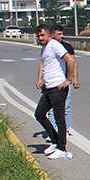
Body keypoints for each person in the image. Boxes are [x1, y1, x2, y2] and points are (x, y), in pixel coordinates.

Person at [34, 24, 76, 159]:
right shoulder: (44, 48)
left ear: (49, 35)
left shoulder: (54, 45)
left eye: (42, 35)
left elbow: (70, 59)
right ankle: (55, 141)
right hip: (48, 88)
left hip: (58, 88)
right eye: (38, 36)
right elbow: (43, 64)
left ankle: (62, 148)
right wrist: (40, 79)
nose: (40, 38)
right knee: (39, 114)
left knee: (59, 120)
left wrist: (69, 79)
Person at [51, 25, 80, 136]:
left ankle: (67, 128)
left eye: (62, 33)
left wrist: (75, 79)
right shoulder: (49, 46)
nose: (61, 36)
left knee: (66, 105)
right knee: (53, 107)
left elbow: (74, 63)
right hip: (53, 80)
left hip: (66, 80)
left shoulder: (67, 46)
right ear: (52, 34)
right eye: (59, 34)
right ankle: (54, 131)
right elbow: (44, 64)